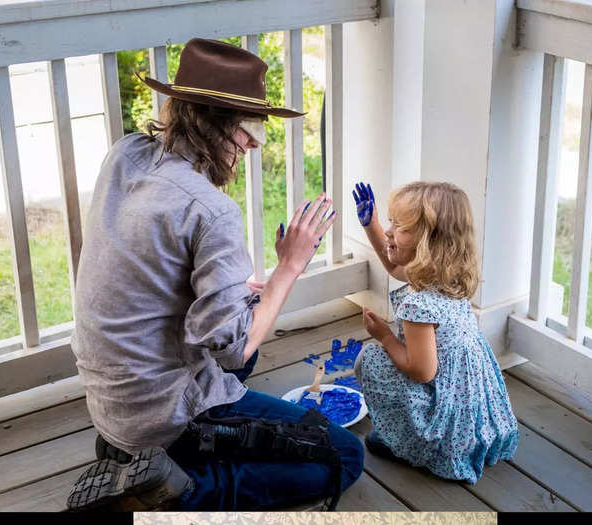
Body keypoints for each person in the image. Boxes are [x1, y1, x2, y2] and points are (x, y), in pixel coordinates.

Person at [68, 38, 363, 511]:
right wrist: (291, 265)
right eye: (247, 128)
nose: (253, 143)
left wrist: (234, 293)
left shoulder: (126, 155)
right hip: (165, 412)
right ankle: (176, 492)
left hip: (111, 402)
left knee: (244, 325)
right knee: (344, 456)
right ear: (213, 123)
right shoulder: (212, 210)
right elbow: (234, 351)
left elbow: (148, 267)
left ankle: (135, 459)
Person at [351, 181, 518, 484]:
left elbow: (421, 372)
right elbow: (393, 267)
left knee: (369, 360)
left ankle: (414, 446)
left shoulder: (419, 305)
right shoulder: (448, 276)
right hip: (470, 406)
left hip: (446, 418)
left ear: (428, 243)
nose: (389, 232)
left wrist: (385, 337)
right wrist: (371, 225)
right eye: (390, 222)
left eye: (398, 227)